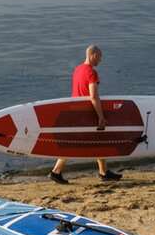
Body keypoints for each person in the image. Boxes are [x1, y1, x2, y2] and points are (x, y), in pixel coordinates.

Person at [49, 45, 122, 184]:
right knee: (79, 143)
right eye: (99, 57)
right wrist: (100, 116)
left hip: (74, 110)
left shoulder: (77, 69)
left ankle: (103, 172)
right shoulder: (91, 72)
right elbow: (93, 96)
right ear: (93, 55)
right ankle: (56, 172)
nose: (100, 60)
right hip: (86, 112)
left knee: (97, 140)